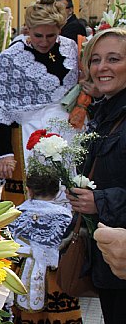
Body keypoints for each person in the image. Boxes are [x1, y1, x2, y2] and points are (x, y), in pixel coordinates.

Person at [0, 0, 78, 205]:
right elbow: (1, 105)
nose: (44, 41)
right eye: (38, 35)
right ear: (27, 29)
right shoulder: (10, 57)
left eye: (51, 35)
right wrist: (4, 152)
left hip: (69, 130)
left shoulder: (71, 48)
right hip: (27, 134)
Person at [66, 27, 126, 323]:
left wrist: (99, 200)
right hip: (108, 258)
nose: (102, 67)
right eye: (96, 60)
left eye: (114, 59)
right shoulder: (104, 111)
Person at [8, 167, 82, 323]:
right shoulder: (67, 216)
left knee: (26, 317)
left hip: (21, 273)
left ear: (28, 190)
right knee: (59, 316)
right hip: (56, 276)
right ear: (57, 191)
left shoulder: (14, 213)